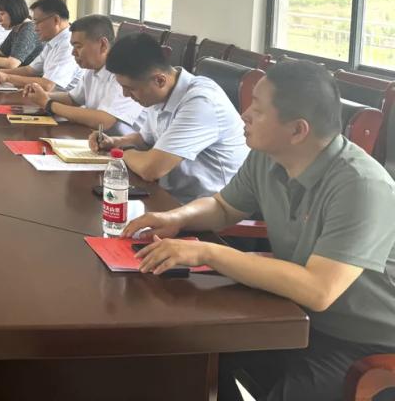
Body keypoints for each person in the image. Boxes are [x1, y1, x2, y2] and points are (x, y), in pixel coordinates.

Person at [124, 61, 395, 401]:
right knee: (192, 350)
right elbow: (223, 207)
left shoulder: (361, 186)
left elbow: (319, 289)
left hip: (362, 341)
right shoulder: (268, 157)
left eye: (258, 109)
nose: (244, 115)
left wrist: (208, 252)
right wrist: (177, 217)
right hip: (295, 314)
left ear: (297, 130)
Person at [91, 32, 248, 203]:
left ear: (160, 80)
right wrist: (115, 142)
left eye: (131, 88)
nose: (125, 94)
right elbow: (145, 139)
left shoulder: (201, 102)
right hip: (173, 196)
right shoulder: (160, 94)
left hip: (212, 207)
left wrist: (119, 152)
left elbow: (151, 169)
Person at [22, 14, 143, 135]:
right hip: (101, 137)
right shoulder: (92, 69)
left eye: (78, 46)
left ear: (103, 45)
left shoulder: (122, 72)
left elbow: (104, 121)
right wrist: (42, 95)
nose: (73, 53)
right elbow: (72, 99)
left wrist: (49, 104)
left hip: (128, 142)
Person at [0, 0, 81, 91]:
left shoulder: (68, 44)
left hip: (58, 99)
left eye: (37, 22)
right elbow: (30, 70)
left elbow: (48, 85)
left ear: (56, 20)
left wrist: (7, 77)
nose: (35, 28)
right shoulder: (53, 41)